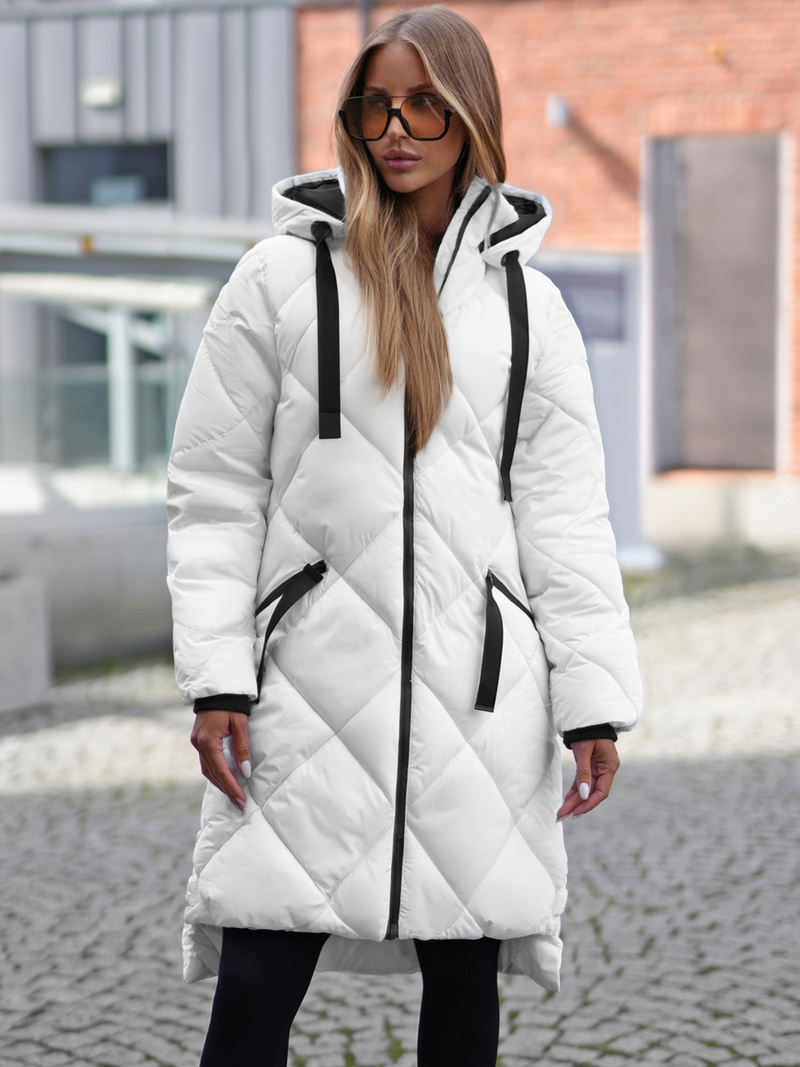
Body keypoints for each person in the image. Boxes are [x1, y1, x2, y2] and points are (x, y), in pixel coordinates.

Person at [166, 6, 643, 1066]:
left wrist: (593, 700)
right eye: (374, 105)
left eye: (424, 104)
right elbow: (214, 490)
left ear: (470, 115)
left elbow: (566, 514)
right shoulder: (277, 281)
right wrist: (217, 678)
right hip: (305, 683)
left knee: (463, 981)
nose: (395, 128)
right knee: (256, 980)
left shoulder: (529, 310)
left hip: (477, 694)